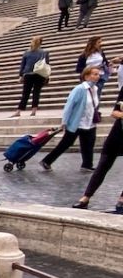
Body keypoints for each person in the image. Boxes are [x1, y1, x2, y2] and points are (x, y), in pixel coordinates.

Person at [42, 65, 103, 172]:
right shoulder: (79, 89)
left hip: (90, 123)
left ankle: (87, 165)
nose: (98, 76)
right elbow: (69, 106)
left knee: (89, 144)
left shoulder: (95, 88)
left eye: (98, 74)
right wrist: (64, 122)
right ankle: (47, 161)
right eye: (95, 74)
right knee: (65, 144)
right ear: (86, 76)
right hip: (77, 123)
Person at [73, 84, 123, 213]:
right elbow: (115, 112)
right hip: (118, 134)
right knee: (103, 165)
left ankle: (122, 199)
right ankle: (86, 197)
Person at [12, 36, 50, 118]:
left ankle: (18, 111)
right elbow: (46, 65)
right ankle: (33, 111)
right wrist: (47, 76)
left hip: (28, 74)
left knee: (25, 93)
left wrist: (21, 75)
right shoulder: (44, 52)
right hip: (40, 74)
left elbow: (23, 65)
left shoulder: (27, 53)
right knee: (36, 92)